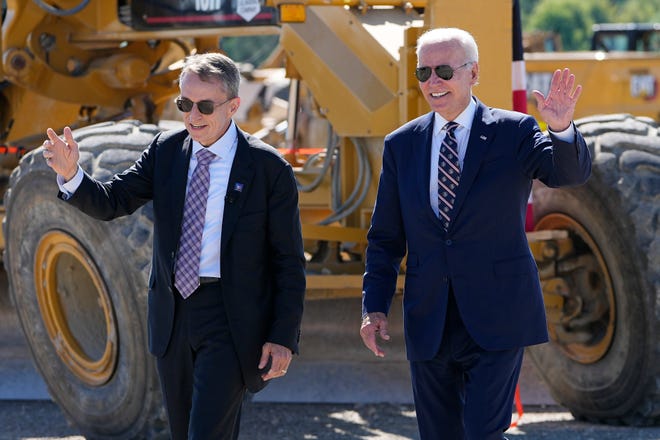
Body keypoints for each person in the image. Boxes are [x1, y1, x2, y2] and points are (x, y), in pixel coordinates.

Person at [42, 52, 306, 440]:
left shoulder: (268, 169)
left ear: (234, 105)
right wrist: (71, 175)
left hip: (231, 321)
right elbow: (113, 200)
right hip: (173, 317)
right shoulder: (166, 152)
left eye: (204, 106)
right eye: (184, 104)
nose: (192, 115)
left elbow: (288, 262)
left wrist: (282, 337)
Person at [359, 28, 591, 439]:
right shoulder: (402, 145)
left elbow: (566, 174)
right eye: (424, 72)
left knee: (484, 432)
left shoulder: (514, 131)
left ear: (474, 73)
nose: (433, 82)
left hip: (498, 315)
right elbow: (385, 238)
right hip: (429, 318)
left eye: (444, 70)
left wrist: (561, 130)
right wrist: (373, 307)